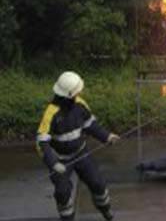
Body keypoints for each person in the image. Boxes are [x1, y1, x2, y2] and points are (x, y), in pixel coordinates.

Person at [37, 71, 119, 221]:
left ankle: (106, 210)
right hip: (60, 160)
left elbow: (91, 125)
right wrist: (53, 163)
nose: (79, 93)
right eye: (77, 92)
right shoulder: (51, 113)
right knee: (62, 193)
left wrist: (107, 136)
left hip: (81, 153)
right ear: (68, 95)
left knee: (98, 183)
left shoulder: (80, 105)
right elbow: (42, 142)